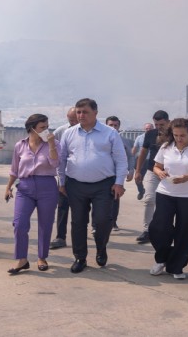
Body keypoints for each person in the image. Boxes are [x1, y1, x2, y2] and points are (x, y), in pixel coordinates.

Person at [58, 98, 127, 273]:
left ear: (96, 113)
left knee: (103, 220)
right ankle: (80, 258)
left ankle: (101, 247)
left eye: (85, 112)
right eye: (78, 112)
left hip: (104, 186)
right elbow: (61, 159)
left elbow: (121, 159)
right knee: (78, 222)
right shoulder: (69, 133)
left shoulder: (110, 133)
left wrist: (119, 183)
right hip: (75, 185)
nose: (81, 115)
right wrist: (62, 181)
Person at [149, 118, 188, 280]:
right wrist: (159, 172)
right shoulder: (166, 147)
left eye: (182, 135)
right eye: (175, 135)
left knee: (185, 232)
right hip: (165, 193)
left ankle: (176, 266)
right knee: (158, 228)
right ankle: (162, 258)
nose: (179, 138)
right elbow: (156, 166)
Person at [5, 114, 60, 273]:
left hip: (47, 185)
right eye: (42, 127)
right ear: (32, 128)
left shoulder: (54, 143)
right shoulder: (20, 146)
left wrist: (50, 145)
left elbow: (55, 163)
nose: (46, 130)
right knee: (20, 223)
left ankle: (42, 257)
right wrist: (8, 187)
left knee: (45, 223)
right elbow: (14, 169)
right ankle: (22, 259)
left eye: (47, 127)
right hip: (25, 186)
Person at [133, 110, 170, 244]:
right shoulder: (151, 134)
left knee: (167, 203)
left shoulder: (175, 133)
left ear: (168, 121)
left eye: (161, 124)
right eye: (156, 124)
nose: (159, 127)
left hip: (171, 174)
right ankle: (147, 230)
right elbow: (142, 153)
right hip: (152, 171)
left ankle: (165, 230)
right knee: (149, 199)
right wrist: (138, 171)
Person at [49, 107, 78, 250]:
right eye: (70, 118)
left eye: (74, 119)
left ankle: (81, 236)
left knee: (81, 208)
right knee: (62, 207)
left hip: (81, 176)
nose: (72, 121)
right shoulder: (62, 131)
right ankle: (60, 236)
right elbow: (49, 145)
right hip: (64, 175)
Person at [104, 116, 135, 231]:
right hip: (101, 173)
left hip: (116, 174)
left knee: (115, 197)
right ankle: (95, 225)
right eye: (110, 125)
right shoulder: (99, 139)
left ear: (119, 126)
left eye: (115, 125)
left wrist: (131, 170)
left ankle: (113, 222)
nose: (113, 127)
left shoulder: (124, 141)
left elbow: (130, 156)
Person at [132, 123, 154, 200]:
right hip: (142, 161)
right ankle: (141, 191)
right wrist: (130, 158)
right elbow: (134, 149)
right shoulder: (139, 138)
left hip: (154, 161)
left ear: (153, 128)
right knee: (138, 179)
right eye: (147, 128)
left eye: (150, 128)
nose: (148, 130)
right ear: (144, 129)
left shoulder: (157, 137)